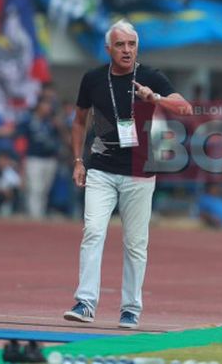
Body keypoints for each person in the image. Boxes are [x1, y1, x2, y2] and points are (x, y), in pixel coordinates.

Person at [64, 19, 191, 329]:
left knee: (135, 243)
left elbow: (185, 108)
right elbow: (79, 120)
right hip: (101, 168)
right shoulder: (93, 79)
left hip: (139, 172)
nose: (126, 50)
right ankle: (85, 302)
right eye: (120, 44)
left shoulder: (151, 77)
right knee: (93, 231)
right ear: (108, 48)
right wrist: (78, 161)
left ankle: (130, 308)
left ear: (138, 47)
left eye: (131, 44)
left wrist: (155, 99)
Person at [18, 96, 65, 219]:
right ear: (39, 106)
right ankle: (34, 216)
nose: (48, 108)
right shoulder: (29, 120)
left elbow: (64, 138)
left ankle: (41, 214)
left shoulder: (52, 122)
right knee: (35, 188)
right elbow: (20, 136)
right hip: (34, 158)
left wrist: (59, 126)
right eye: (45, 105)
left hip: (50, 159)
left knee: (45, 189)